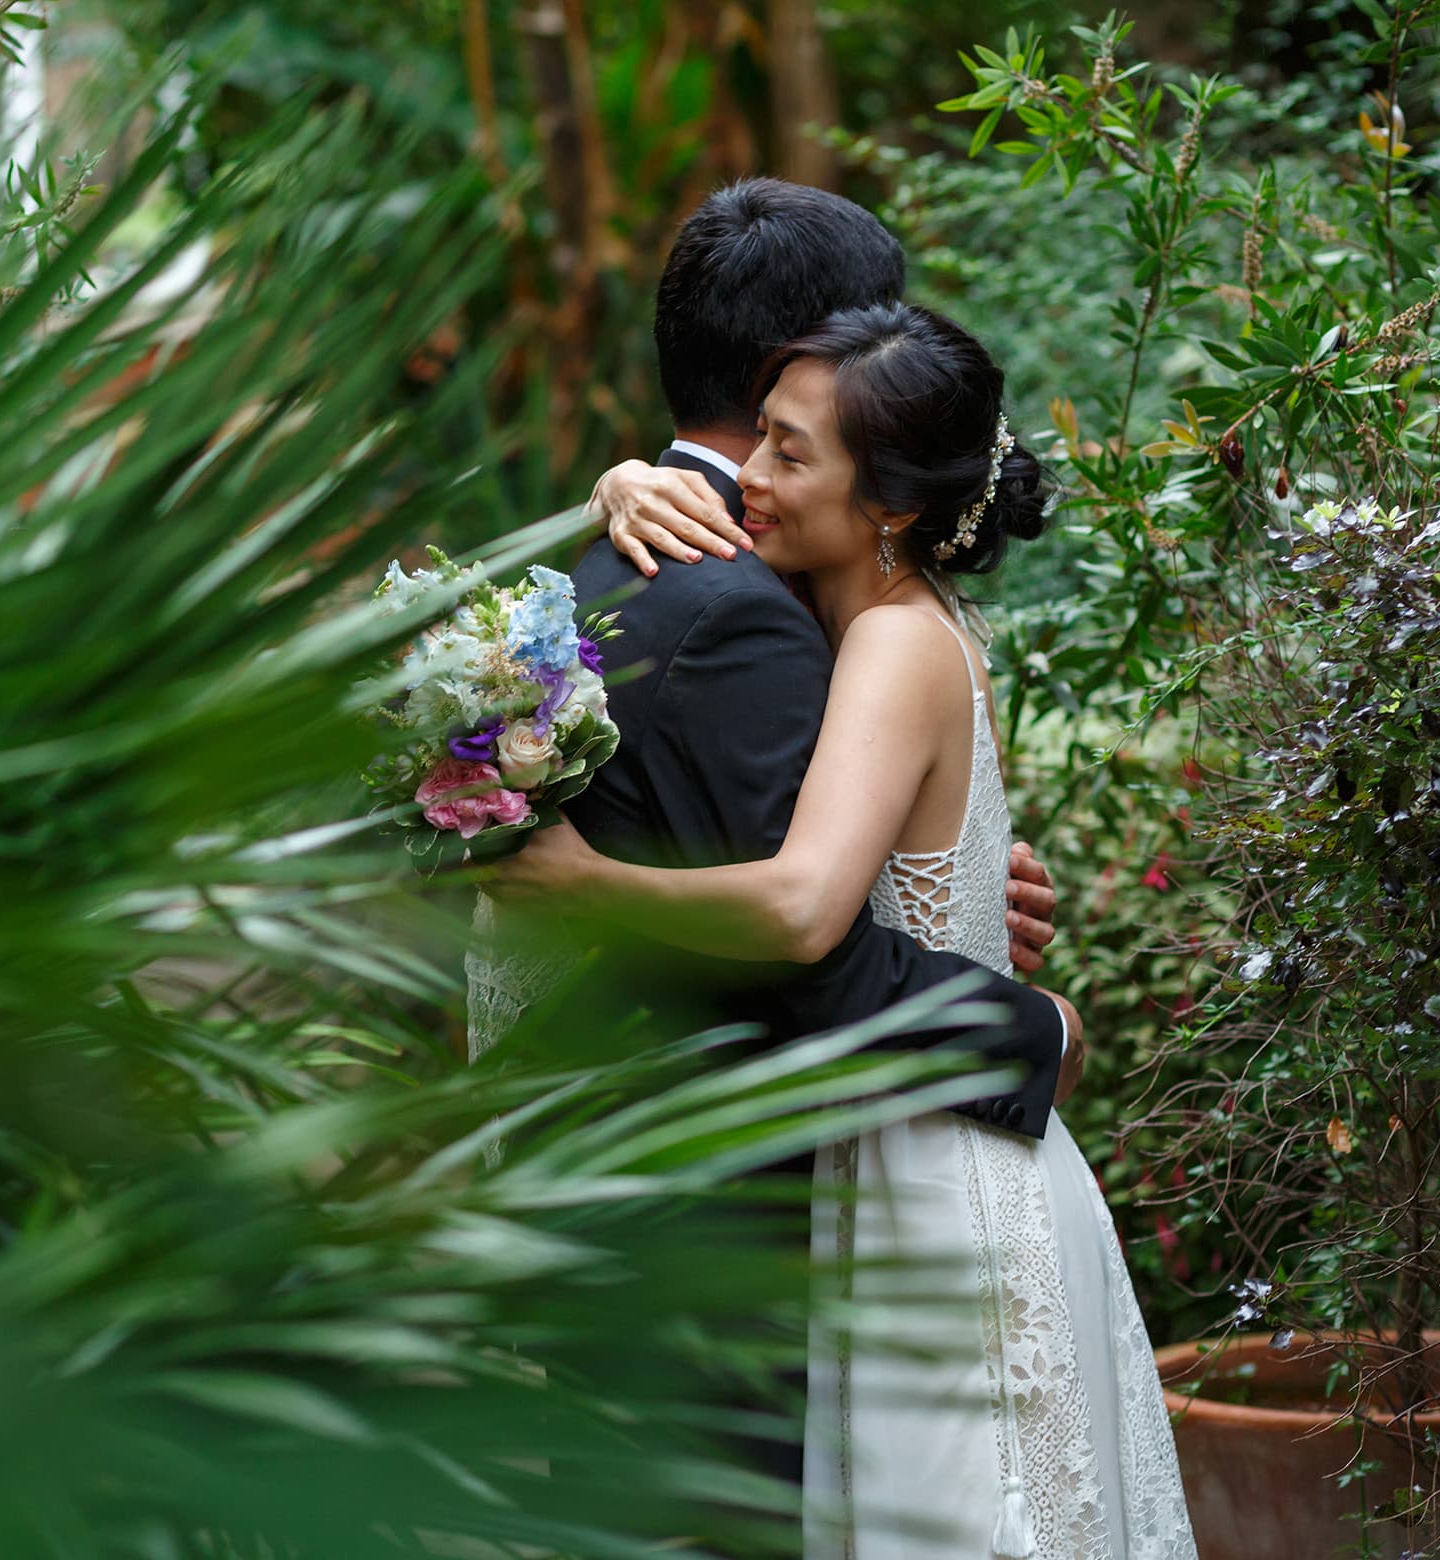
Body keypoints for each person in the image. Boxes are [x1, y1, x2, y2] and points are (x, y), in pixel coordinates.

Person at [496, 300, 1195, 1558]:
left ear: (893, 508)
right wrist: (620, 483)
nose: (748, 479)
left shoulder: (884, 640)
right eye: (755, 440)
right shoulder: (857, 611)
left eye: (789, 453)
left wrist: (583, 881)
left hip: (941, 1167)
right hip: (899, 1152)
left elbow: (808, 909)